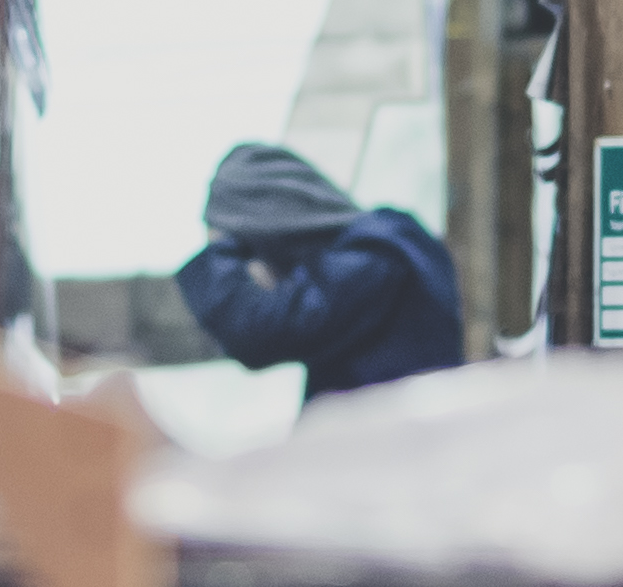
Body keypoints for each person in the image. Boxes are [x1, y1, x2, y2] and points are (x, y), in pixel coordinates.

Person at [176, 142, 463, 401]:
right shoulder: (383, 247)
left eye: (251, 256)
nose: (259, 274)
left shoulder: (374, 258)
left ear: (267, 230)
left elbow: (254, 332)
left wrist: (222, 244)